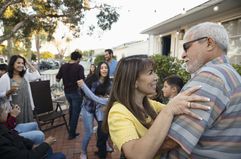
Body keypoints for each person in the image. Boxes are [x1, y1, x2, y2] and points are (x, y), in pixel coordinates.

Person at [102, 55, 210, 159]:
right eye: (150, 73)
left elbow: (179, 112)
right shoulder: (118, 112)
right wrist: (168, 110)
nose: (156, 78)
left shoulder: (149, 104)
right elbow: (136, 155)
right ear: (134, 81)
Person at [160, 22, 241, 159]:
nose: (183, 55)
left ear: (209, 43)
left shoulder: (210, 76)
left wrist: (137, 150)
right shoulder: (230, 74)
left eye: (186, 47)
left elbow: (172, 140)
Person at [0, 98, 66, 159]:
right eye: (5, 110)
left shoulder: (3, 127)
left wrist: (33, 145)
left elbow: (16, 136)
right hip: (26, 154)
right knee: (60, 155)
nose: (8, 112)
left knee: (48, 148)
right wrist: (45, 144)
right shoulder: (2, 142)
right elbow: (26, 156)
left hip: (21, 147)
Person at [79, 61, 112, 159]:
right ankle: (83, 152)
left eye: (106, 68)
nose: (104, 70)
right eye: (102, 68)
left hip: (99, 108)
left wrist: (105, 103)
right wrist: (84, 87)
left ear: (108, 70)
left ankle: (104, 144)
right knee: (88, 132)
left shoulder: (109, 82)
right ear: (99, 69)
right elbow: (88, 94)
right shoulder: (92, 78)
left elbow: (107, 98)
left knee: (103, 127)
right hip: (88, 108)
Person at [0, 55, 41, 123]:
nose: (21, 65)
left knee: (28, 124)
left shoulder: (25, 75)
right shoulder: (5, 77)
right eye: (18, 63)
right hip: (15, 109)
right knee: (18, 127)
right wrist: (9, 92)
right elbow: (0, 95)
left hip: (27, 105)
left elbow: (37, 76)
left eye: (22, 63)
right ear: (12, 64)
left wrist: (28, 62)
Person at [56, 51, 85, 140]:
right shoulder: (79, 67)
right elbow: (82, 81)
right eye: (80, 59)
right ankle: (71, 133)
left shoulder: (63, 66)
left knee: (71, 108)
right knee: (76, 113)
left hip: (67, 92)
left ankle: (70, 125)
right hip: (76, 92)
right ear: (78, 59)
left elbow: (57, 79)